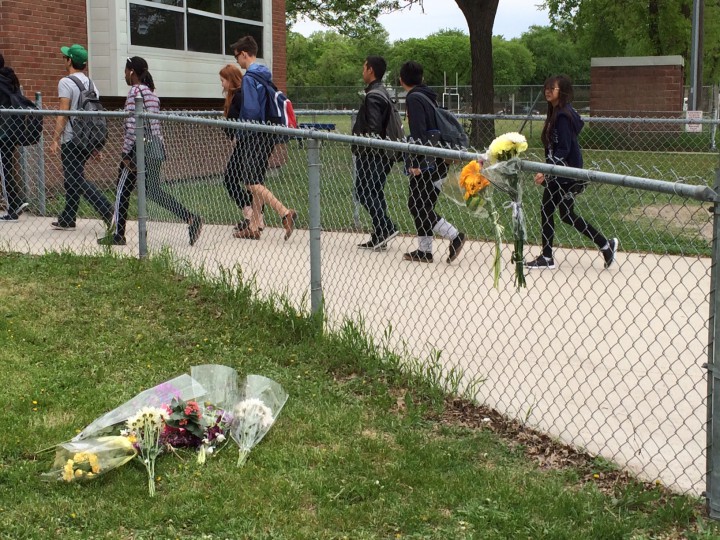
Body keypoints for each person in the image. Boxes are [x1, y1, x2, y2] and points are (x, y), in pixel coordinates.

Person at [98, 56, 203, 246]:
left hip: (138, 150)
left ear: (131, 72)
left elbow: (132, 124)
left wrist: (126, 154)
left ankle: (119, 235)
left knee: (122, 190)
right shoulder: (152, 94)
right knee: (153, 190)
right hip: (155, 149)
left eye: (125, 71)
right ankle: (190, 218)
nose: (124, 75)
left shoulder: (135, 92)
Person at [527, 75, 618, 270]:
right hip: (561, 172)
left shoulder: (563, 116)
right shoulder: (557, 112)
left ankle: (547, 256)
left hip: (563, 173)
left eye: (553, 88)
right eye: (547, 87)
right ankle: (605, 244)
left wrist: (547, 170)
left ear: (563, 91)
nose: (548, 90)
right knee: (566, 214)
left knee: (547, 210)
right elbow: (555, 147)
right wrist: (549, 168)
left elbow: (564, 149)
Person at [398, 60, 465, 264]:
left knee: (417, 205)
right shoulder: (428, 96)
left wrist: (417, 163)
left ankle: (454, 235)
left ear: (401, 80)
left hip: (428, 162)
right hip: (437, 160)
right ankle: (424, 251)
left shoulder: (414, 99)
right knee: (423, 204)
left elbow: (420, 133)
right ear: (422, 78)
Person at [230, 35, 296, 241]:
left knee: (250, 182)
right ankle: (255, 226)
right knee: (257, 180)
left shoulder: (250, 78)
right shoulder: (264, 75)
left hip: (254, 134)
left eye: (236, 57)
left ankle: (284, 213)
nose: (237, 62)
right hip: (268, 134)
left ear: (243, 54)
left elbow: (250, 109)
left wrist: (241, 132)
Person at [50, 44, 114, 231]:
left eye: (65, 58)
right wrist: (96, 147)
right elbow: (94, 115)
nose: (64, 60)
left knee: (75, 179)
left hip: (72, 139)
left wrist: (55, 139)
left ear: (70, 61)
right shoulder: (92, 84)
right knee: (73, 177)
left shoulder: (66, 82)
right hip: (87, 140)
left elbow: (63, 112)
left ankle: (107, 210)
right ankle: (68, 217)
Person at [351, 55, 398, 251]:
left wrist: (364, 142)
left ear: (370, 70)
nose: (362, 71)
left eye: (364, 67)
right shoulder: (380, 92)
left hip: (373, 154)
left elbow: (374, 127)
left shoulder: (374, 96)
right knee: (374, 191)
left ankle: (386, 227)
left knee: (363, 192)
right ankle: (380, 233)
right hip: (381, 154)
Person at [219, 63, 263, 234]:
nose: (221, 84)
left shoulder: (239, 96)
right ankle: (256, 218)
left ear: (230, 80)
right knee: (250, 181)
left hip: (246, 143)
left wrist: (234, 134)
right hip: (244, 142)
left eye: (223, 80)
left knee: (232, 178)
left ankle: (250, 215)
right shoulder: (235, 96)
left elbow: (237, 120)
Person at [0, 53, 29, 221]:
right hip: (11, 130)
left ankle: (13, 206)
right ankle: (16, 201)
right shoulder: (9, 79)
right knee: (6, 167)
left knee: (4, 169)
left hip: (3, 132)